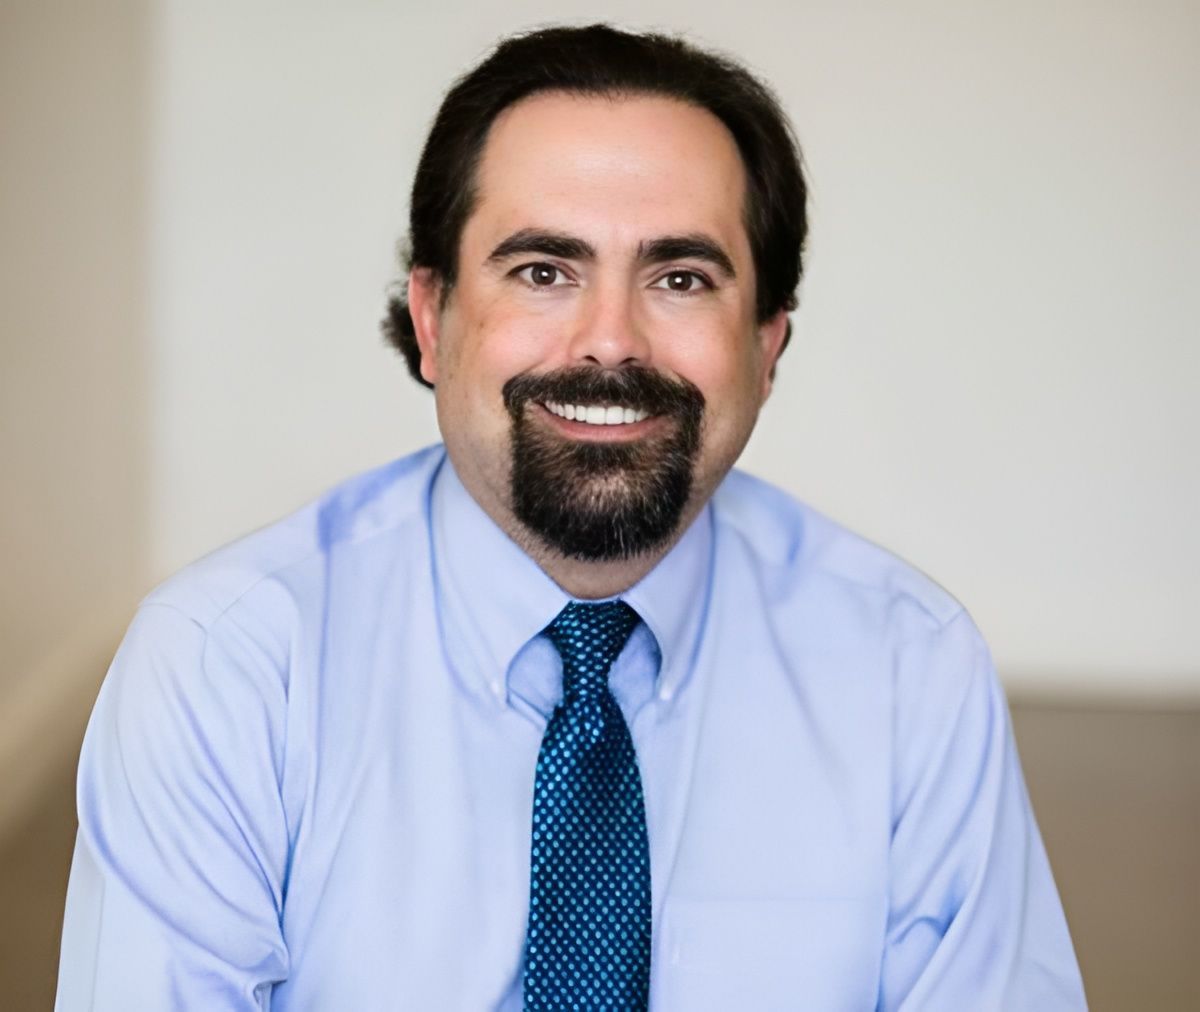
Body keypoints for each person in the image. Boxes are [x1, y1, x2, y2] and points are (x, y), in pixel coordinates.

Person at [56, 23, 1086, 1011]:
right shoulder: (227, 666)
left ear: (767, 346)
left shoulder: (909, 665)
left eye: (680, 277)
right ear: (431, 318)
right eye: (543, 270)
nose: (609, 341)